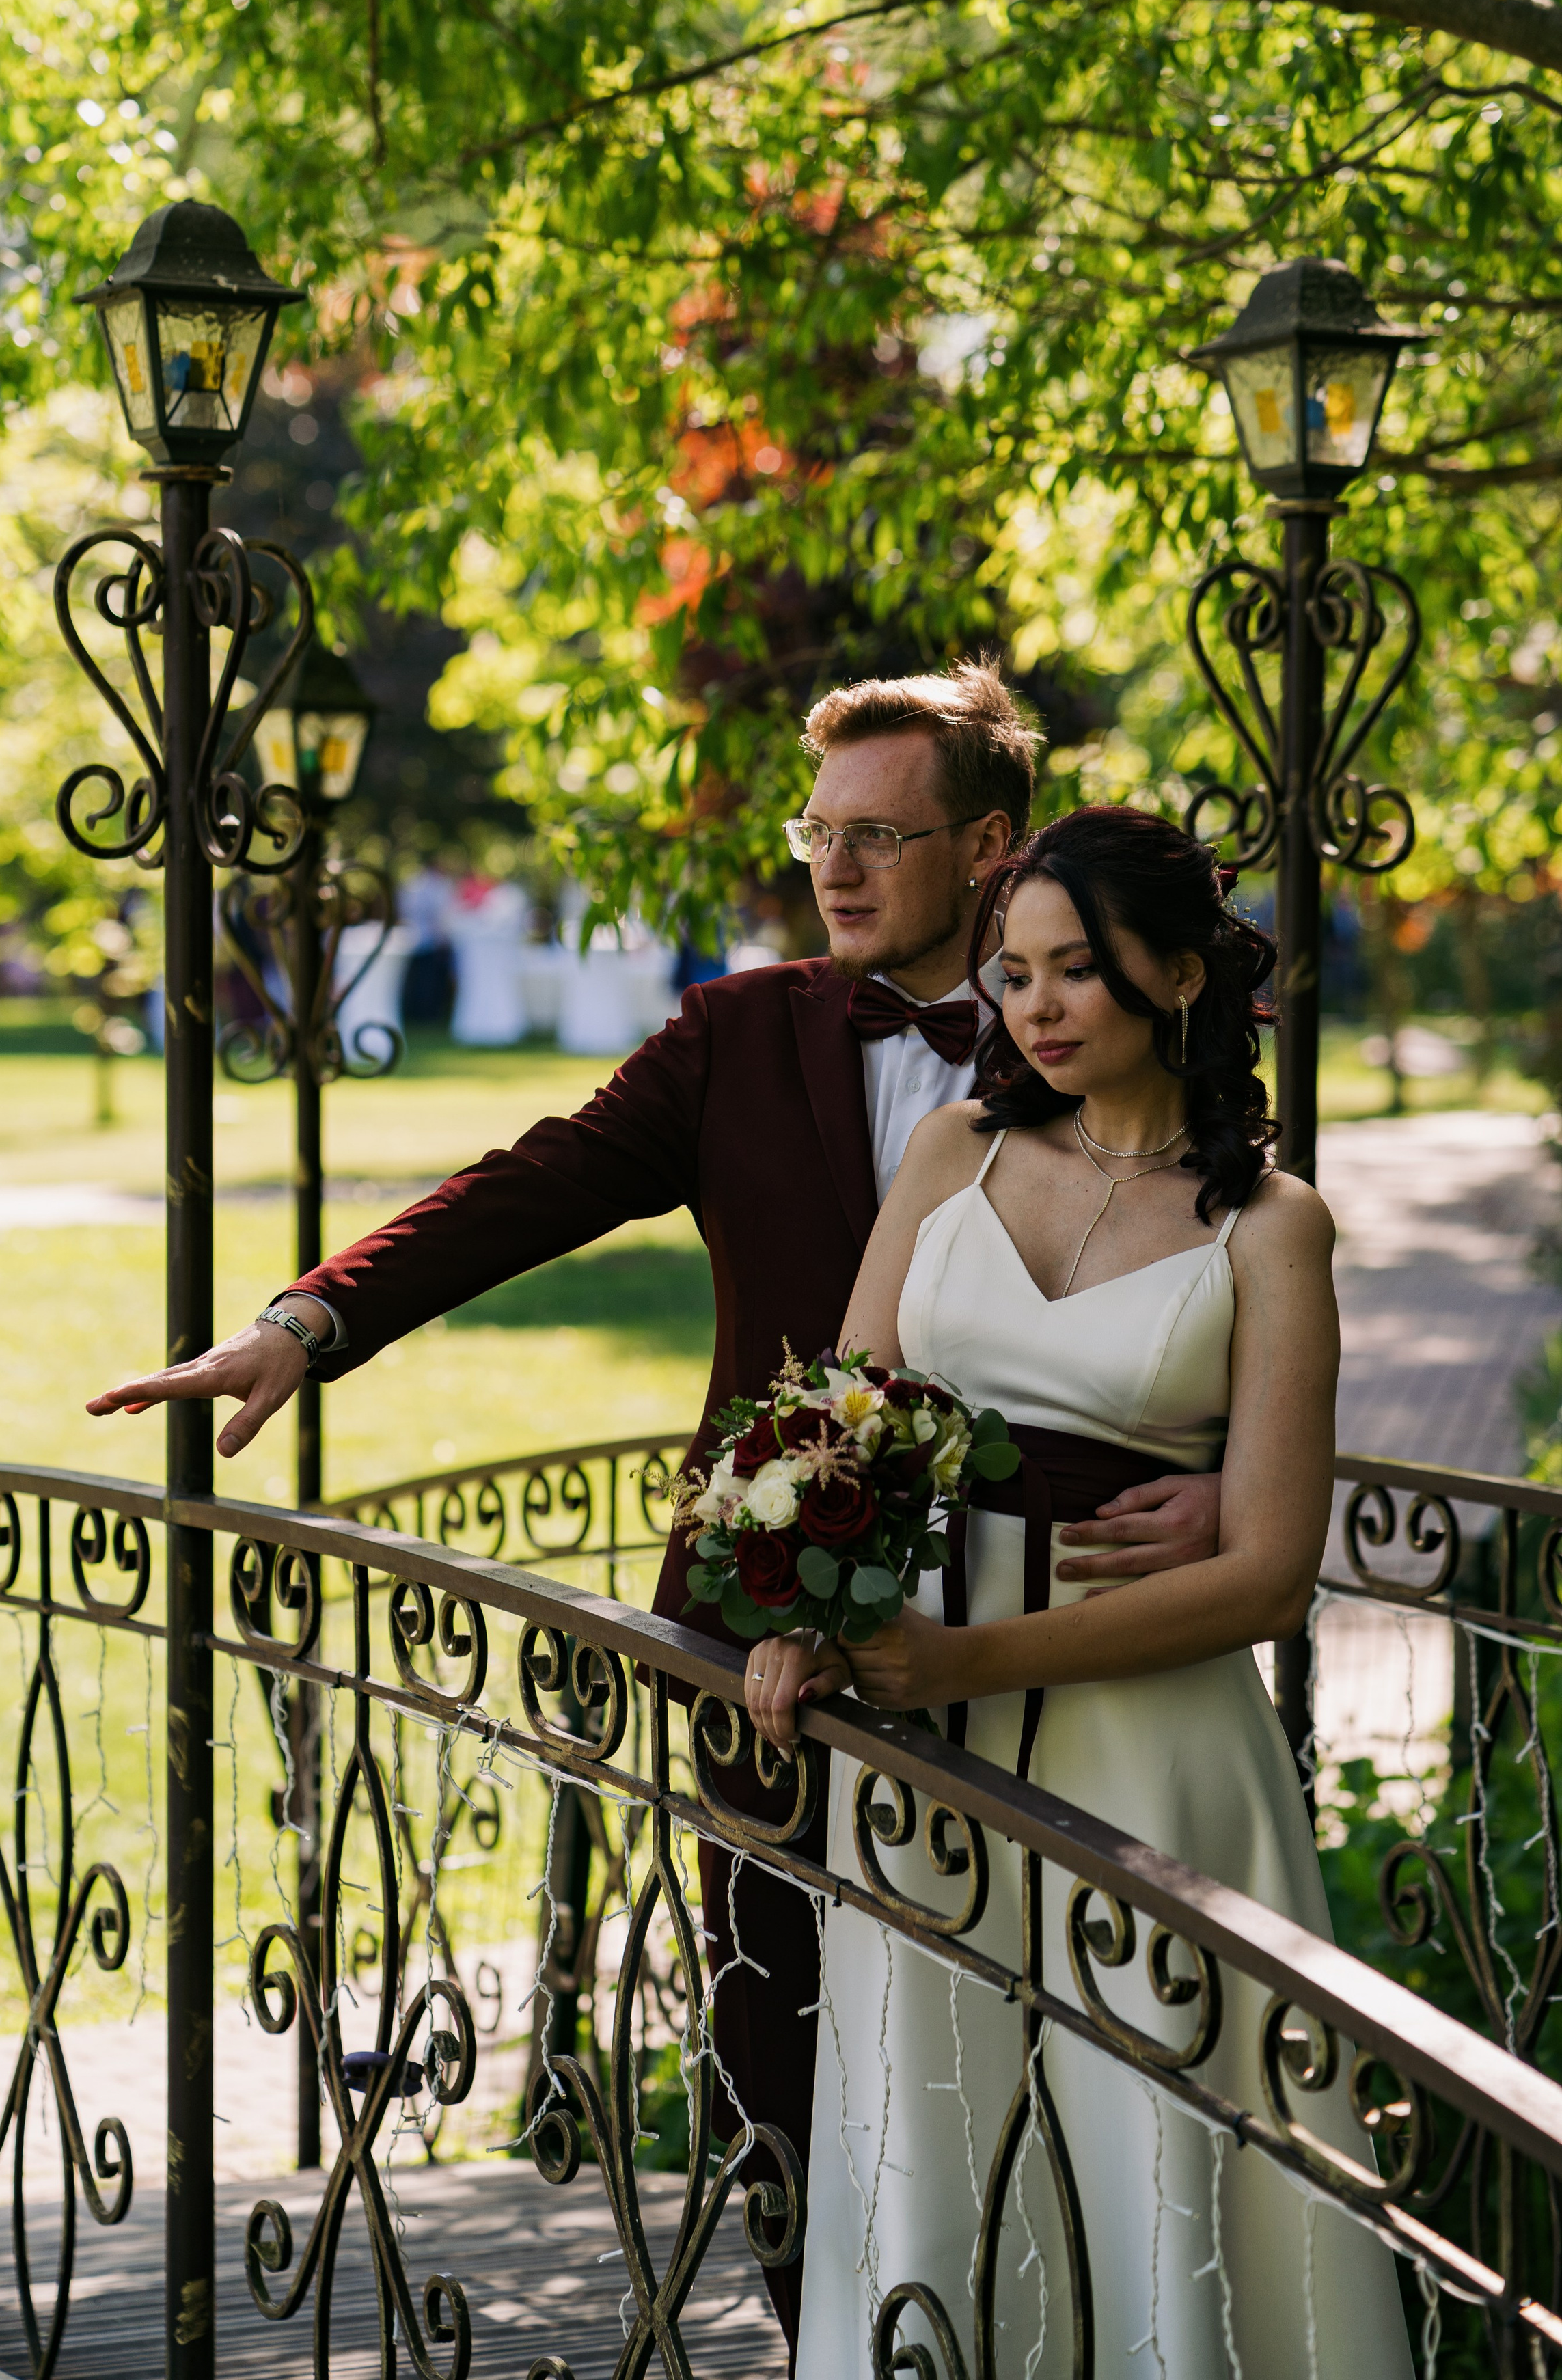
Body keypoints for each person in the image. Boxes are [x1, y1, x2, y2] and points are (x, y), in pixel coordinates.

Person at [85, 662, 1225, 2366]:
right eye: (816, 832)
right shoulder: (735, 1035)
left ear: (990, 845)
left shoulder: (1092, 1024)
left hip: (1048, 1642)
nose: (832, 868)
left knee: (1047, 2065)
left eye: (879, 834)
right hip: (763, 1638)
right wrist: (308, 1322)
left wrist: (1223, 1469)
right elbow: (531, 1183)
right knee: (783, 2056)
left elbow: (1219, 1269)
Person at [745, 805, 1413, 2377]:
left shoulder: (1271, 1226)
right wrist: (800, 1607)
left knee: (1154, 2144)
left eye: (1077, 970)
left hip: (1150, 1756)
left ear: (1178, 977)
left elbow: (1267, 1574)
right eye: (1015, 972)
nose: (1034, 1006)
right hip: (923, 1752)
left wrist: (966, 1659)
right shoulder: (952, 1153)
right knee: (931, 2123)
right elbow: (840, 1419)